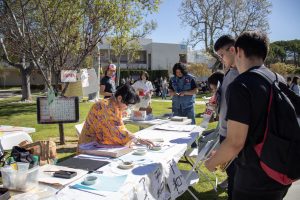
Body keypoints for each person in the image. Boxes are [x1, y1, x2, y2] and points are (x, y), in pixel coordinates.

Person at [205, 31, 290, 200]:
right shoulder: (278, 78)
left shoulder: (241, 85)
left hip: (254, 176)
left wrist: (211, 163)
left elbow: (235, 142)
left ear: (239, 52)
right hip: (280, 168)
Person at [78, 84, 154, 147]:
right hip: (88, 147)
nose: (127, 107)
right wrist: (137, 139)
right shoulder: (104, 106)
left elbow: (120, 128)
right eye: (127, 104)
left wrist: (134, 139)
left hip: (98, 145)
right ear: (120, 98)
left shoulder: (115, 106)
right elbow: (115, 132)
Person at [213, 35, 240, 199]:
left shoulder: (242, 76)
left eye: (222, 55)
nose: (221, 60)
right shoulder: (229, 73)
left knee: (236, 181)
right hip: (225, 132)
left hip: (233, 136)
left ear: (232, 50)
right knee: (232, 176)